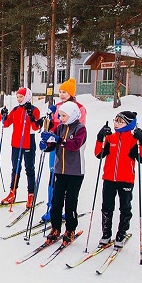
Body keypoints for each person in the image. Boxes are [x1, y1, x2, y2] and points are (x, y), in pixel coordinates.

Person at [94, 111, 142, 249]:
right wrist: (100, 137)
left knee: (125, 207)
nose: (116, 123)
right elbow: (99, 154)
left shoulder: (132, 140)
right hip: (109, 179)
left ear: (129, 124)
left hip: (126, 180)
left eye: (120, 121)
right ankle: (106, 234)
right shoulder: (111, 138)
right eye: (115, 120)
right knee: (107, 207)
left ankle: (121, 234)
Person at [40, 77, 88, 222]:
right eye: (60, 91)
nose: (61, 94)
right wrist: (48, 132)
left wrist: (60, 139)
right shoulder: (56, 107)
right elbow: (53, 127)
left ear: (71, 93)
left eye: (65, 92)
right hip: (57, 143)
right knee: (54, 173)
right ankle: (52, 206)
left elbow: (78, 129)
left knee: (68, 177)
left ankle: (67, 209)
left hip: (70, 146)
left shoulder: (79, 108)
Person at [38, 101, 86, 244]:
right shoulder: (59, 128)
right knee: (56, 200)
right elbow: (53, 145)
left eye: (64, 116)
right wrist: (46, 145)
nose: (62, 118)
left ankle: (70, 229)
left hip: (75, 171)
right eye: (60, 115)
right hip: (60, 170)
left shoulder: (80, 129)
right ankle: (55, 227)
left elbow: (75, 145)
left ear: (72, 115)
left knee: (70, 202)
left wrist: (58, 140)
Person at [0, 87, 41, 207]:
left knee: (29, 169)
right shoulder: (16, 109)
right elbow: (6, 124)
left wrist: (31, 116)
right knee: (15, 169)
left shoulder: (34, 110)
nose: (19, 99)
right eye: (17, 97)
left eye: (21, 97)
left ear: (27, 96)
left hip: (28, 142)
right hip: (16, 143)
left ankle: (31, 194)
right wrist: (4, 115)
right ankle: (12, 192)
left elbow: (35, 128)